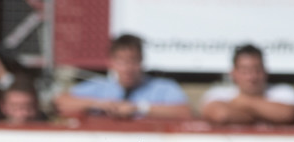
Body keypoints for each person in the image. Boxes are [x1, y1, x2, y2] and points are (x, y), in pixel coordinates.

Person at [53, 34, 191, 121]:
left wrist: (139, 108)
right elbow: (59, 103)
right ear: (111, 63)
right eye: (121, 62)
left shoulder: (162, 87)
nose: (127, 68)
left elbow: (185, 113)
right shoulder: (99, 87)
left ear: (141, 61)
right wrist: (99, 104)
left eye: (132, 61)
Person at [200, 44, 294, 126]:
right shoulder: (218, 93)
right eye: (245, 71)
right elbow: (221, 115)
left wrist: (241, 103)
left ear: (265, 71)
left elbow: (288, 114)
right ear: (233, 73)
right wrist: (264, 114)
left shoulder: (284, 92)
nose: (252, 77)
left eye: (257, 70)